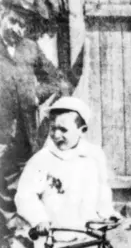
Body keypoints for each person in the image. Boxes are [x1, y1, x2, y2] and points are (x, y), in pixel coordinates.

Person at [0, 0, 72, 243]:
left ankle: (24, 238)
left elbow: (57, 80)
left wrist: (36, 94)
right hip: (0, 134)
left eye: (21, 25)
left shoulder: (30, 48)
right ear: (2, 15)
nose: (16, 29)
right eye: (12, 21)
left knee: (26, 187)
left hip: (26, 134)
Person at [14, 97, 120, 248]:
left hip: (88, 235)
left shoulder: (93, 156)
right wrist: (39, 219)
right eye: (53, 128)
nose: (56, 135)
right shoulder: (42, 160)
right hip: (54, 235)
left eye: (63, 130)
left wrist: (107, 213)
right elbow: (26, 195)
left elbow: (102, 188)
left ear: (82, 131)